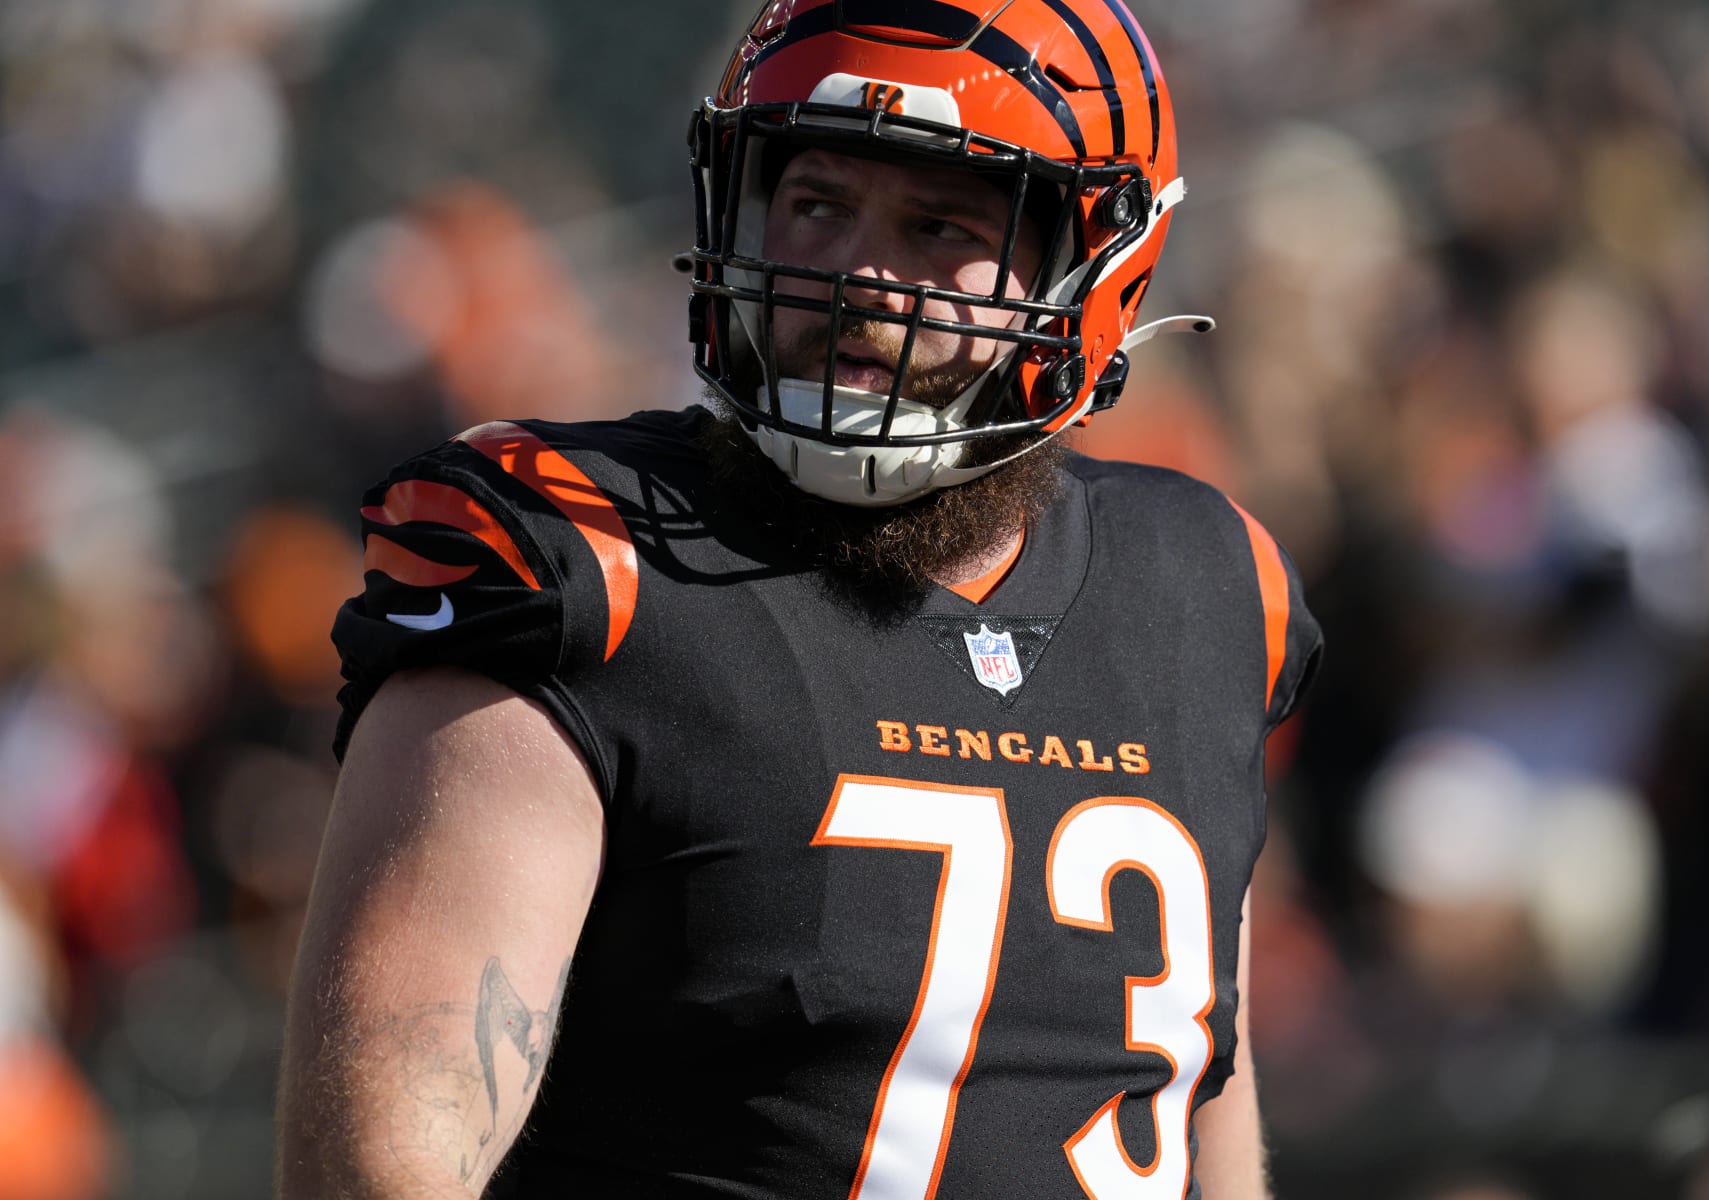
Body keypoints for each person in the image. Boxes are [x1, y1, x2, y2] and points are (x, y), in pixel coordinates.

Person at [276, 1, 1322, 1197]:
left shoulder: (1205, 582)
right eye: (818, 203)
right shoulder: (590, 559)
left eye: (939, 224)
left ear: (1094, 262)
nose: (860, 277)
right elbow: (386, 1159)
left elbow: (1204, 1119)